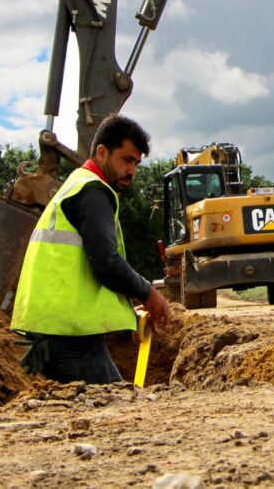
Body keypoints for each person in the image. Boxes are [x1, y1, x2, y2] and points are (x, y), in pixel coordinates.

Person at [10, 114, 170, 384]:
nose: (132, 171)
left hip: (62, 330)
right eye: (127, 160)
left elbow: (84, 270)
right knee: (115, 412)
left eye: (136, 163)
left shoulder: (77, 185)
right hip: (67, 334)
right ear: (102, 152)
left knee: (115, 404)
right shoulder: (93, 192)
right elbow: (106, 262)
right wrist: (148, 293)